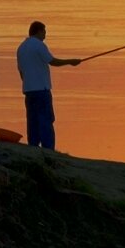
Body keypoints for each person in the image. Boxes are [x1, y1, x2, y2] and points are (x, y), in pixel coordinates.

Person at [15, 20, 80, 150]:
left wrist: (27, 83)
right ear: (38, 31)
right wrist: (70, 62)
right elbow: (52, 61)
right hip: (41, 90)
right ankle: (48, 150)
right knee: (46, 120)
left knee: (32, 121)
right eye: (44, 31)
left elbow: (21, 70)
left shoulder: (21, 47)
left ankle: (33, 147)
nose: (45, 34)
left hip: (29, 90)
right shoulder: (39, 45)